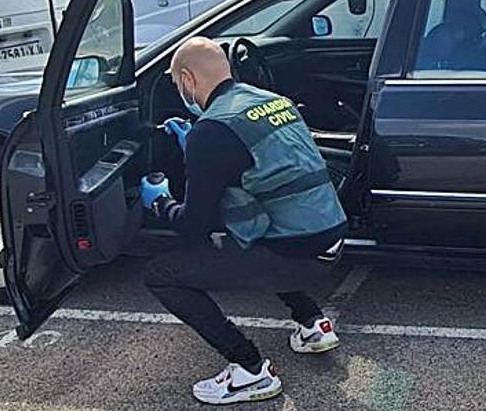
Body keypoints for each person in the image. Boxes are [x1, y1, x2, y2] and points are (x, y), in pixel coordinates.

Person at [139, 37, 347, 405]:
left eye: (176, 84)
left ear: (187, 79)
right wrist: (199, 148)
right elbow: (257, 164)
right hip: (329, 238)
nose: (180, 92)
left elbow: (194, 227)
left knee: (162, 274)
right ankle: (313, 323)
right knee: (257, 231)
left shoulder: (212, 130)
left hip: (297, 256)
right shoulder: (270, 100)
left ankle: (249, 370)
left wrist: (161, 203)